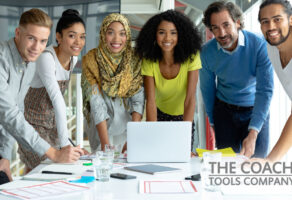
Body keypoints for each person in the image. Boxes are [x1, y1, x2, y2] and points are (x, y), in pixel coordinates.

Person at [0, 9, 83, 194]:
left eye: (43, 41)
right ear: (18, 33)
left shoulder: (31, 62)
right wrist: (55, 154)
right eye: (31, 38)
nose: (36, 47)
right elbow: (10, 116)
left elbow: (17, 108)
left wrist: (5, 155)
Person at [199, 1, 274, 158]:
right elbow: (207, 89)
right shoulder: (206, 52)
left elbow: (265, 90)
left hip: (255, 108)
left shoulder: (260, 46)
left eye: (226, 25)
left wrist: (253, 132)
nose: (221, 33)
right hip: (224, 112)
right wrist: (213, 123)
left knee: (257, 164)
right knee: (228, 165)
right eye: (215, 28)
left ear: (237, 22)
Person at [17, 9, 87, 172]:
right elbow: (57, 100)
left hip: (51, 124)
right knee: (43, 168)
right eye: (72, 35)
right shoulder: (46, 57)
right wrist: (64, 145)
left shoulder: (73, 58)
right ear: (58, 37)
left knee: (57, 167)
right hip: (32, 123)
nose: (78, 41)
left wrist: (67, 145)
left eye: (82, 36)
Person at [135, 10, 202, 153]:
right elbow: (151, 101)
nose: (167, 38)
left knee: (182, 157)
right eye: (161, 32)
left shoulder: (192, 57)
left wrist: (184, 137)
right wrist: (152, 133)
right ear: (154, 34)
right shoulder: (149, 60)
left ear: (181, 35)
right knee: (158, 154)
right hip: (159, 115)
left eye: (173, 32)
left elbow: (190, 99)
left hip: (184, 117)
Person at [81, 13, 144, 153]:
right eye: (111, 33)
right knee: (103, 162)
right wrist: (105, 145)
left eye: (122, 34)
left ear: (127, 36)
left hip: (128, 126)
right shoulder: (91, 60)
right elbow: (96, 102)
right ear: (103, 34)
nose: (117, 39)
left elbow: (138, 101)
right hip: (100, 128)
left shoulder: (135, 60)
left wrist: (132, 138)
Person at [253, 0, 292, 162]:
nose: (271, 27)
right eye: (265, 22)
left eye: (277, 19)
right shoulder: (271, 47)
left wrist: (269, 162)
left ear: (290, 19)